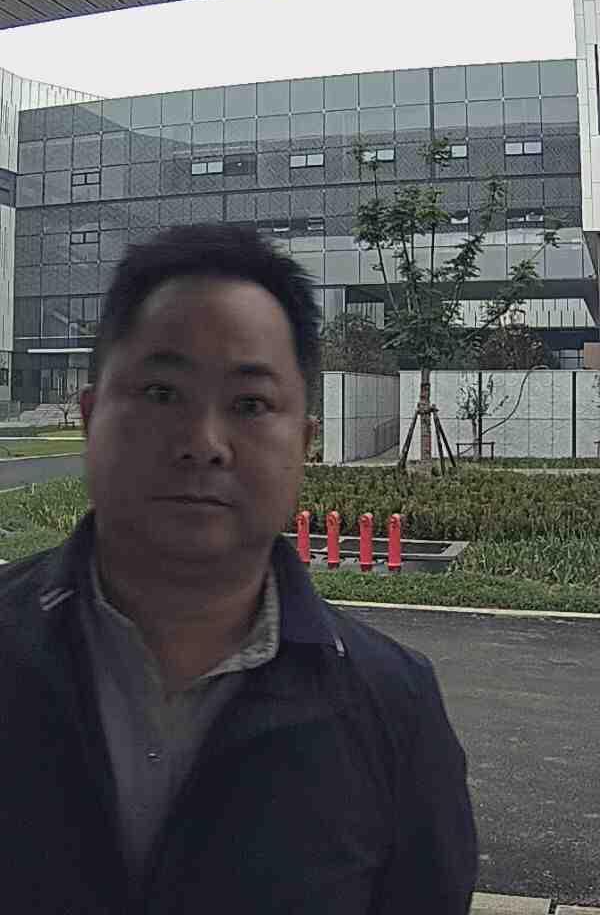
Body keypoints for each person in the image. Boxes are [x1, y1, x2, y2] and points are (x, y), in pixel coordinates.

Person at [0, 224, 477, 913]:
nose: (204, 443)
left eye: (250, 405)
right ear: (90, 415)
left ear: (304, 442)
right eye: (162, 393)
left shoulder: (393, 710)